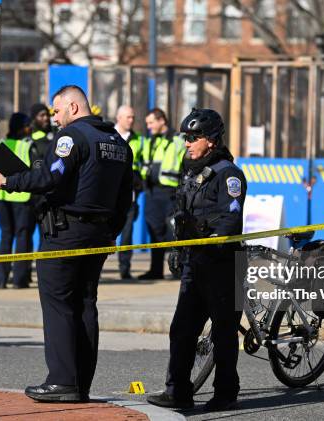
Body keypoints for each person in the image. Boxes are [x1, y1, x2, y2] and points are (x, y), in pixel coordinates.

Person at [0, 85, 133, 403]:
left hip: (65, 234)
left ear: (73, 108)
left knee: (58, 306)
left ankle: (63, 382)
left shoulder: (72, 137)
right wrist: (111, 233)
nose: (54, 116)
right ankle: (80, 384)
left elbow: (49, 179)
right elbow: (125, 198)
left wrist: (7, 181)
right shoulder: (118, 143)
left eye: (57, 109)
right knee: (85, 306)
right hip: (98, 235)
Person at [147, 109, 247, 412]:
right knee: (182, 329)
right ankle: (178, 391)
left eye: (193, 137)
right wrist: (178, 248)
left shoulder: (229, 174)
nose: (187, 143)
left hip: (224, 262)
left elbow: (230, 219)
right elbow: (181, 211)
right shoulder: (190, 169)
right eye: (185, 138)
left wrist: (205, 235)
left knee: (223, 331)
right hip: (196, 261)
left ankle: (226, 392)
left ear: (212, 140)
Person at [0, 113, 36, 290]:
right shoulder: (28, 146)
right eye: (27, 125)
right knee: (23, 237)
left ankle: (0, 279)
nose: (29, 128)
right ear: (20, 127)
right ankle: (20, 279)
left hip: (3, 198)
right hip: (22, 198)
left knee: (6, 237)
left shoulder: (0, 144)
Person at [139, 108, 185, 280]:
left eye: (151, 123)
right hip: (152, 192)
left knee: (176, 231)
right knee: (154, 232)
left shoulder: (178, 140)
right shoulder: (151, 140)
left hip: (171, 192)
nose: (149, 126)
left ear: (161, 121)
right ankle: (155, 270)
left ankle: (179, 268)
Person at [114, 105, 144, 280]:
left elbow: (141, 164)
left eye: (133, 117)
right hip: (110, 192)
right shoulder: (109, 136)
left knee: (127, 233)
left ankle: (125, 269)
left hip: (129, 193)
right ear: (119, 118)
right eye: (128, 117)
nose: (131, 120)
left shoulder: (138, 140)